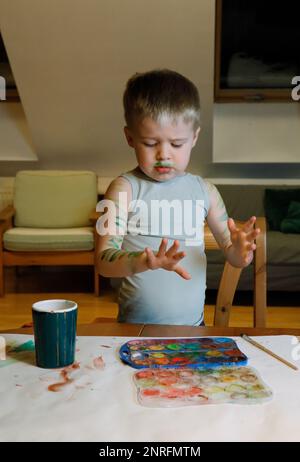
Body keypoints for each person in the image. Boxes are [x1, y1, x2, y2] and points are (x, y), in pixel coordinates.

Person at [96, 69, 260, 325]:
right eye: (151, 143)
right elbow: (103, 261)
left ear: (194, 137)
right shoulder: (122, 189)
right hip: (133, 332)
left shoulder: (206, 192)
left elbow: (234, 257)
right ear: (130, 138)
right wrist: (145, 261)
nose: (164, 154)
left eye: (177, 143)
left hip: (193, 332)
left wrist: (241, 251)